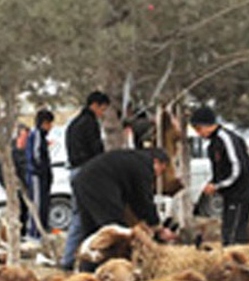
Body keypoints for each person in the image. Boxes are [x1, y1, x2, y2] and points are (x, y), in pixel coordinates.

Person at [71, 148, 175, 245]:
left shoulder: (133, 159)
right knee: (115, 230)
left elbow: (135, 200)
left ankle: (79, 262)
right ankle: (113, 260)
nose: (159, 175)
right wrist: (156, 225)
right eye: (162, 170)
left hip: (83, 180)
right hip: (100, 185)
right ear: (156, 162)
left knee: (90, 230)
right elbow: (143, 199)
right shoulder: (144, 167)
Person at [189, 105, 249, 245]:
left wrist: (217, 186)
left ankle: (236, 263)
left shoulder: (226, 138)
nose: (199, 134)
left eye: (199, 129)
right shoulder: (213, 144)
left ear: (207, 125)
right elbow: (220, 170)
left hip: (240, 193)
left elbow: (237, 168)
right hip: (229, 194)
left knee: (233, 234)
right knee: (228, 231)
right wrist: (213, 184)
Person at [60, 91, 110, 269]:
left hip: (75, 171)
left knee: (77, 216)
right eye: (102, 109)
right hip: (87, 173)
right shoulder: (90, 124)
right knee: (85, 217)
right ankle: (72, 260)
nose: (102, 113)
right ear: (95, 105)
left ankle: (69, 258)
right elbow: (96, 152)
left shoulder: (73, 123)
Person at [25, 109, 55, 236]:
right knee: (37, 205)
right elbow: (36, 155)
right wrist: (41, 170)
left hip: (42, 175)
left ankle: (42, 229)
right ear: (44, 123)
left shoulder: (41, 137)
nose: (51, 127)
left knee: (44, 203)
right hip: (37, 175)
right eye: (49, 124)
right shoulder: (37, 134)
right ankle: (35, 231)